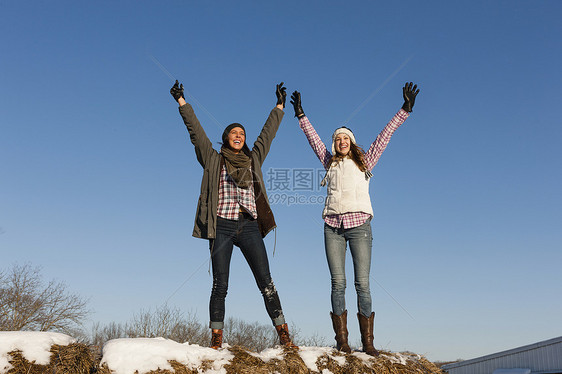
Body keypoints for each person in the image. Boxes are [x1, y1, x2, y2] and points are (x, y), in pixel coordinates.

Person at [289, 83, 420, 356]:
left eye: (345, 138)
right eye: (337, 139)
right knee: (338, 283)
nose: (341, 142)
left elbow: (385, 135)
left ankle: (368, 343)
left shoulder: (365, 162)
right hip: (333, 228)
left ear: (352, 142)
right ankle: (342, 341)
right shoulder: (330, 162)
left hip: (360, 226)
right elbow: (313, 139)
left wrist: (404, 110)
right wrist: (301, 115)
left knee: (363, 283)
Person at [170, 80, 297, 350]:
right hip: (222, 227)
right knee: (220, 284)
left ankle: (284, 333)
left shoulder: (253, 160)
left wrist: (279, 107)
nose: (238, 135)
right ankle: (216, 337)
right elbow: (197, 133)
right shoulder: (214, 160)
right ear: (226, 138)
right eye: (233, 132)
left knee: (266, 282)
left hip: (249, 226)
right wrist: (183, 103)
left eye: (242, 132)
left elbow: (267, 135)